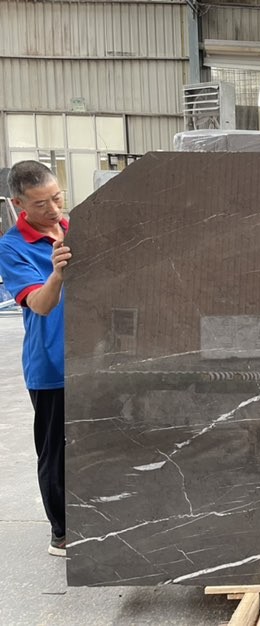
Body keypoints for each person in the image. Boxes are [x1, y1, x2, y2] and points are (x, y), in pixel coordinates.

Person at [0, 161, 71, 557]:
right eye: (41, 204)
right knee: (56, 451)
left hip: (95, 356)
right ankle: (62, 533)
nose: (54, 210)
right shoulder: (12, 247)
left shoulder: (77, 227)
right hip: (51, 365)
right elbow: (40, 305)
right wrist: (57, 275)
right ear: (19, 204)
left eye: (57, 198)